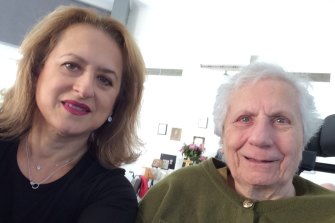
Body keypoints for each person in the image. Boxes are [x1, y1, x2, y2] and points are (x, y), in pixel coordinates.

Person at [136, 62, 335, 223]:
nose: (260, 138)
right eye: (245, 119)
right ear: (222, 134)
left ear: (304, 138)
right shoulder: (172, 192)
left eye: (280, 120)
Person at [0, 5, 145, 223]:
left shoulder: (113, 196)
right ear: (37, 71)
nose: (85, 89)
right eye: (71, 65)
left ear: (117, 103)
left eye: (105, 80)